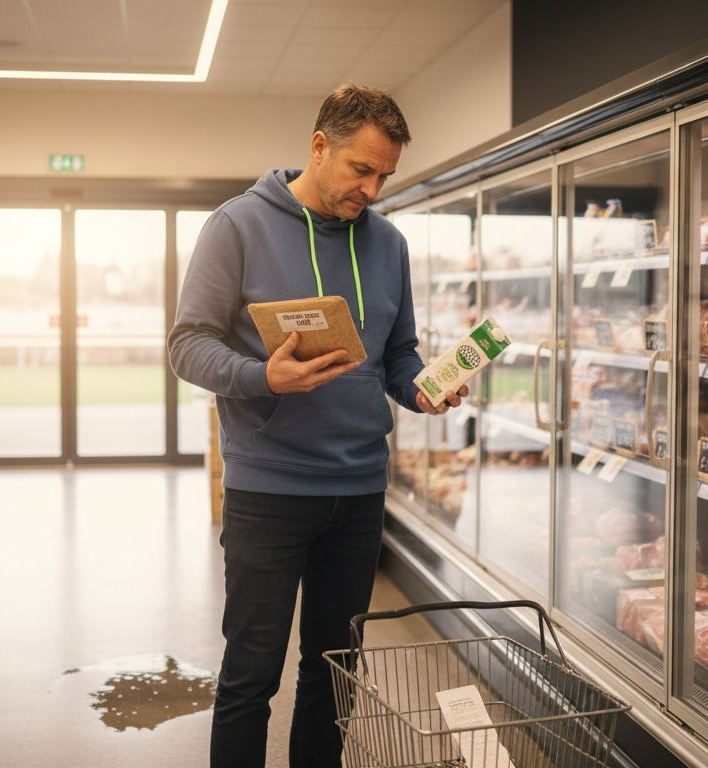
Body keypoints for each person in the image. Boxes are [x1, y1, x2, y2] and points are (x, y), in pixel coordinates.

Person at [168, 83, 468, 768]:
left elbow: (398, 355)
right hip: (269, 490)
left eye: (385, 175)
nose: (373, 187)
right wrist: (260, 376)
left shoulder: (388, 245)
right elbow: (187, 345)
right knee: (251, 675)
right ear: (318, 147)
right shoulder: (237, 226)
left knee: (334, 676)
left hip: (360, 492)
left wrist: (425, 391)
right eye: (361, 169)